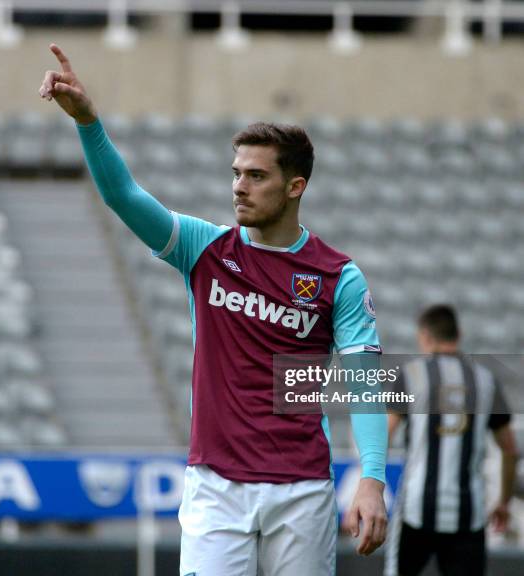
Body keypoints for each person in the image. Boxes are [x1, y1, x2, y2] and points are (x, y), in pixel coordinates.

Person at [39, 43, 388, 575]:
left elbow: (365, 382)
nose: (238, 187)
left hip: (302, 492)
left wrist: (371, 478)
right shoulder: (204, 249)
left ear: (296, 187)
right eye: (236, 173)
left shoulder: (338, 276)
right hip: (215, 489)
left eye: (255, 176)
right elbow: (124, 197)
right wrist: (89, 122)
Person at [384, 304, 518, 576]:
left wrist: (371, 488)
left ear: (425, 336)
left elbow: (383, 437)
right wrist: (503, 501)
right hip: (469, 513)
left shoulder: (412, 376)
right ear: (459, 334)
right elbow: (510, 450)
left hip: (416, 509)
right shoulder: (486, 381)